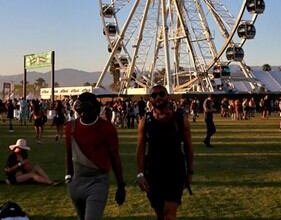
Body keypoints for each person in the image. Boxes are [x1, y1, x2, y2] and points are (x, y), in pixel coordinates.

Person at [64, 92, 126, 220]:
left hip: (98, 182)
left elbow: (115, 157)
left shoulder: (107, 128)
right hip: (76, 182)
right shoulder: (70, 127)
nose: (83, 114)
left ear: (96, 109)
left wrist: (121, 186)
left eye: (87, 110)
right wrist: (68, 177)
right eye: (81, 111)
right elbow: (69, 153)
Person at [137, 85, 194, 220]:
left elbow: (188, 147)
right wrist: (140, 174)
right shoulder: (145, 122)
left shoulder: (180, 119)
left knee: (169, 213)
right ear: (150, 99)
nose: (158, 97)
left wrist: (190, 171)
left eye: (161, 94)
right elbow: (140, 149)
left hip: (175, 170)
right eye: (154, 95)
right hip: (153, 171)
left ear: (168, 96)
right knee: (160, 213)